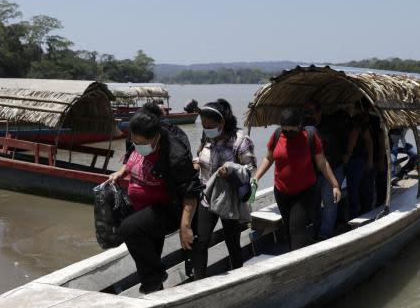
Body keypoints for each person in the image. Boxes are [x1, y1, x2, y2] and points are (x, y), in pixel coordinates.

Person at [107, 103, 202, 292]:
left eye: (143, 144)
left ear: (156, 136)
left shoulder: (175, 155)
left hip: (168, 208)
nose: (138, 146)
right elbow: (131, 158)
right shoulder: (134, 138)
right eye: (136, 142)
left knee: (128, 229)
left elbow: (191, 193)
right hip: (143, 208)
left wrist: (185, 227)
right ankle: (155, 289)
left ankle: (155, 278)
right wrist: (121, 171)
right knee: (150, 253)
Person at [253, 109, 342, 250]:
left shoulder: (310, 137)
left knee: (297, 230)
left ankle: (300, 263)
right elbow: (268, 158)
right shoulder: (277, 135)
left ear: (300, 126)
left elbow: (322, 162)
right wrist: (256, 178)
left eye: (291, 131)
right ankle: (292, 257)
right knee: (288, 229)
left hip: (304, 193)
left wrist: (335, 185)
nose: (288, 134)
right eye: (285, 131)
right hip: (282, 192)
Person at [190, 99, 256, 279]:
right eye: (203, 125)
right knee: (201, 241)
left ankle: (238, 277)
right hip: (207, 195)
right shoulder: (207, 137)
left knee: (232, 241)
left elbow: (250, 170)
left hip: (229, 198)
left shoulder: (241, 141)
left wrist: (231, 171)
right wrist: (195, 164)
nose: (207, 128)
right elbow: (200, 155)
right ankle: (198, 282)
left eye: (210, 125)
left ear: (222, 122)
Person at [304, 100, 349, 240]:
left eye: (312, 113)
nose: (310, 116)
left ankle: (325, 234)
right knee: (314, 204)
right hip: (314, 172)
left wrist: (347, 154)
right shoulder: (304, 128)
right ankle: (317, 229)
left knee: (330, 202)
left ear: (320, 112)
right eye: (307, 113)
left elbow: (346, 138)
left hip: (333, 168)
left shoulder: (332, 124)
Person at [344, 110, 374, 218]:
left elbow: (368, 142)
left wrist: (370, 160)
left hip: (355, 160)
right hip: (353, 160)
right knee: (355, 190)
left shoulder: (358, 125)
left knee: (355, 190)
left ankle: (355, 215)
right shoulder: (354, 123)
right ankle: (356, 214)